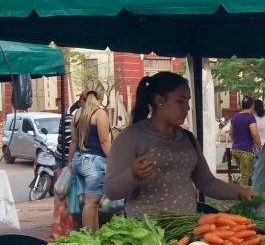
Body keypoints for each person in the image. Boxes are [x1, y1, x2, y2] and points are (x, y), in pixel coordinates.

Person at [104, 71, 257, 218]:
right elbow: (111, 191)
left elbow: (207, 182)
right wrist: (132, 174)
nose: (187, 107)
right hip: (146, 234)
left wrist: (239, 192)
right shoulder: (132, 136)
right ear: (159, 101)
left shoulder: (188, 138)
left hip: (185, 231)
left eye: (188, 101)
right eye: (180, 101)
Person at [68, 81, 111, 232]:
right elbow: (104, 141)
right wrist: (114, 161)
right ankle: (89, 239)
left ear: (85, 94)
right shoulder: (100, 114)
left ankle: (95, 236)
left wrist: (70, 162)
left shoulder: (77, 113)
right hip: (94, 163)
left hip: (79, 160)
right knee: (91, 204)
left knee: (88, 203)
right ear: (101, 95)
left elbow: (73, 141)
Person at [230, 97, 262, 187]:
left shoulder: (235, 116)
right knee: (245, 178)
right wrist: (260, 147)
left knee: (244, 174)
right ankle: (244, 199)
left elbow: (231, 133)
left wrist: (236, 142)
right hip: (246, 150)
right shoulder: (250, 117)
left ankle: (245, 196)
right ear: (252, 106)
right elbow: (255, 134)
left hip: (235, 149)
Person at [57, 93, 85, 168]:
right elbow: (70, 139)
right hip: (66, 158)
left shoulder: (82, 112)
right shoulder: (70, 114)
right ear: (82, 100)